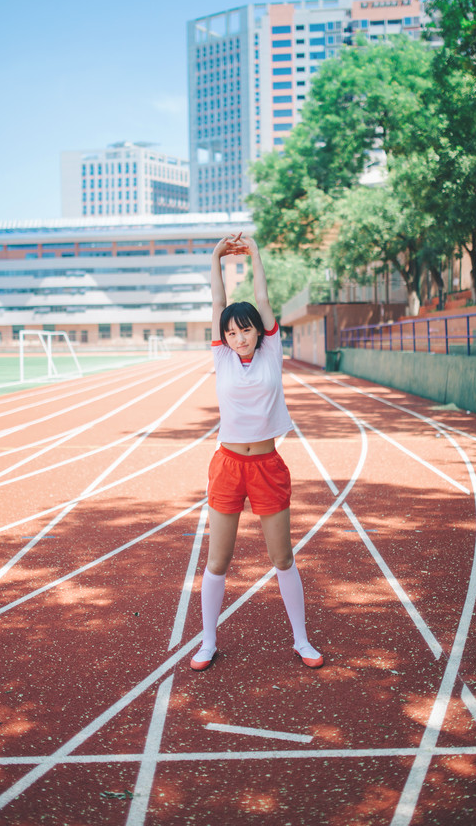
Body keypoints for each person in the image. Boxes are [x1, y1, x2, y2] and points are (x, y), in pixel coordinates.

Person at [190, 233, 323, 671]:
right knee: (218, 559)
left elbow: (262, 296)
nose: (238, 336)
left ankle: (301, 641)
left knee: (282, 557)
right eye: (231, 331)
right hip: (228, 465)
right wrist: (216, 257)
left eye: (244, 328)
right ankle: (208, 642)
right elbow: (217, 301)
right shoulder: (223, 358)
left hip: (267, 465)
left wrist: (254, 255)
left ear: (257, 331)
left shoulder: (271, 354)